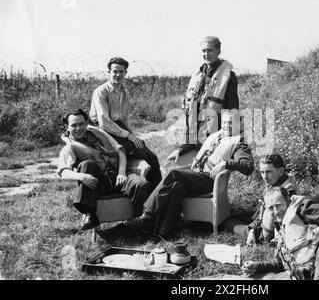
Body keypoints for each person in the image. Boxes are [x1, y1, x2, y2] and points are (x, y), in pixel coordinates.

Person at [124, 112, 253, 238]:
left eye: (230, 123)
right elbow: (194, 142)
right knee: (177, 186)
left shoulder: (240, 142)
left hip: (209, 180)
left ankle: (149, 216)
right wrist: (179, 150)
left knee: (174, 173)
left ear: (239, 124)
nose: (226, 126)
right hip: (196, 173)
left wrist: (225, 163)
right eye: (224, 123)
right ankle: (166, 231)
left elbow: (248, 166)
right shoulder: (217, 135)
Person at [57, 109, 151, 230]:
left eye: (81, 124)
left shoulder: (98, 134)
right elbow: (63, 172)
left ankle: (137, 222)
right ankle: (89, 214)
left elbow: (120, 151)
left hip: (118, 177)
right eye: (74, 125)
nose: (78, 128)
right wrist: (82, 177)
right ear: (67, 127)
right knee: (87, 164)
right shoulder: (69, 147)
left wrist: (121, 173)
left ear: (86, 123)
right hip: (98, 183)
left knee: (141, 183)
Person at [241, 186, 319, 280]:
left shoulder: (304, 208)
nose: (276, 211)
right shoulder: (281, 226)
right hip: (314, 269)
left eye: (278, 205)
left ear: (287, 200)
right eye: (271, 208)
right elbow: (282, 262)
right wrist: (258, 266)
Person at [164, 36, 239, 169]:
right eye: (203, 51)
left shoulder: (228, 76)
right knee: (169, 166)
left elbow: (233, 109)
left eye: (210, 50)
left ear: (218, 51)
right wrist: (182, 147)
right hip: (194, 138)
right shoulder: (198, 75)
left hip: (215, 137)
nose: (206, 54)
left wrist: (227, 141)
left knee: (200, 173)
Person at [89, 57, 162, 191]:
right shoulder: (101, 91)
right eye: (115, 71)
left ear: (125, 73)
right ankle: (155, 194)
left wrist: (133, 135)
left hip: (117, 126)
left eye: (121, 72)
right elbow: (104, 122)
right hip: (102, 128)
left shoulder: (124, 91)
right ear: (108, 72)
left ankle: (154, 192)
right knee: (149, 156)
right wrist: (128, 136)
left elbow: (125, 119)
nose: (118, 75)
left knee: (144, 149)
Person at [232, 154, 300, 244]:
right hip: (262, 220)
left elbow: (281, 223)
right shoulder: (285, 178)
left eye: (268, 172)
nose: (264, 176)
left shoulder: (286, 192)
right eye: (262, 172)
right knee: (237, 215)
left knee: (229, 224)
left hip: (262, 233)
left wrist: (253, 230)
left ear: (281, 171)